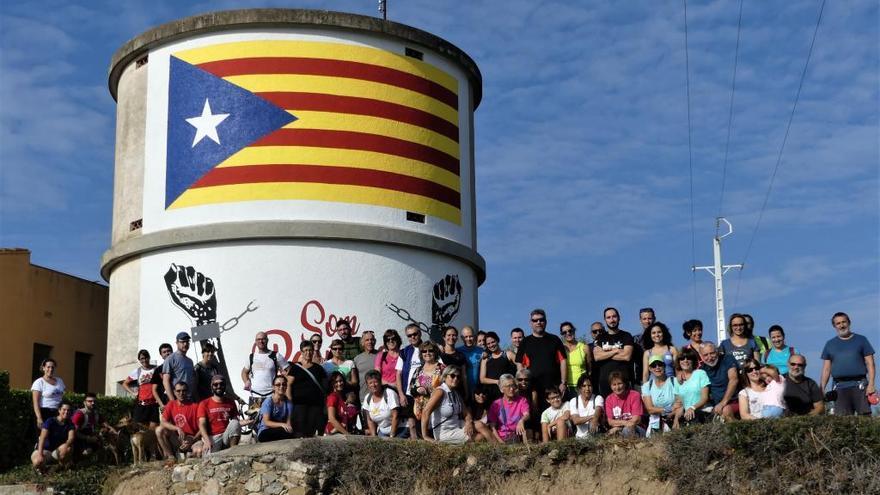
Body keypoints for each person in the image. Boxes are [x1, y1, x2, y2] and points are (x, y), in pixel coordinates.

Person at [820, 312, 876, 416]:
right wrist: (822, 387)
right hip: (839, 388)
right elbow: (826, 369)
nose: (841, 325)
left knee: (865, 419)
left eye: (844, 322)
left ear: (849, 323)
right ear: (834, 326)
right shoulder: (830, 344)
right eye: (838, 323)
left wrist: (871, 384)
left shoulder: (861, 340)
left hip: (860, 386)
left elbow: (870, 363)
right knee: (843, 423)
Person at [515, 309, 567, 405]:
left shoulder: (555, 339)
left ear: (545, 322)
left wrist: (563, 382)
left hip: (553, 387)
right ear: (531, 323)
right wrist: (522, 382)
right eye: (535, 320)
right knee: (534, 417)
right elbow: (519, 363)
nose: (538, 322)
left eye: (541, 320)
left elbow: (563, 361)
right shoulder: (525, 342)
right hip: (532, 388)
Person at [422, 366, 473, 444]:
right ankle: (496, 449)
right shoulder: (440, 392)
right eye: (452, 375)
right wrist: (425, 436)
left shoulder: (456, 393)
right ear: (445, 377)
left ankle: (497, 448)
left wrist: (468, 421)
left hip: (456, 426)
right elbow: (425, 412)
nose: (455, 379)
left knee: (480, 425)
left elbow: (466, 413)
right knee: (479, 436)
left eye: (458, 377)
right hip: (444, 432)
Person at [289, 340, 328, 437]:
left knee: (311, 431)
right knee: (299, 431)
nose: (308, 353)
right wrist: (289, 400)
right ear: (301, 352)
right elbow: (288, 385)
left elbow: (325, 387)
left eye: (310, 350)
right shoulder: (295, 368)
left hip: (315, 405)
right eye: (305, 350)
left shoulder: (319, 368)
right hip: (299, 404)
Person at [593, 307, 635, 397]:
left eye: (614, 316)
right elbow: (597, 357)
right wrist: (616, 350)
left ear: (619, 318)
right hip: (605, 383)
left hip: (623, 383)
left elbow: (626, 356)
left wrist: (605, 353)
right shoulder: (600, 338)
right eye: (608, 317)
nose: (612, 320)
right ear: (605, 320)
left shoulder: (626, 336)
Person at [195, 375, 240, 455]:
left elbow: (236, 422)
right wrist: (206, 440)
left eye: (221, 384)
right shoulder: (204, 403)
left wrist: (249, 421)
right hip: (212, 437)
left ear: (225, 386)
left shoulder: (230, 402)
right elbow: (202, 424)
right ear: (212, 387)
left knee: (235, 422)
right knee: (208, 459)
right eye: (215, 384)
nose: (219, 386)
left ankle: (234, 452)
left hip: (226, 435)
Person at [241, 331, 289, 407]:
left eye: (263, 339)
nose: (261, 341)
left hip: (271, 395)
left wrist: (282, 382)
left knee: (272, 418)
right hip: (255, 396)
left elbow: (288, 370)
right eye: (258, 339)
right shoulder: (252, 357)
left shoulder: (276, 355)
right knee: (254, 419)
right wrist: (246, 381)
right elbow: (244, 372)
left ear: (267, 340)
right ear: (255, 342)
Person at [156, 381, 200, 461]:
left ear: (188, 391)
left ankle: (187, 452)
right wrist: (177, 428)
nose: (181, 393)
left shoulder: (195, 406)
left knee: (191, 457)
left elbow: (202, 428)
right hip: (177, 437)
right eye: (178, 391)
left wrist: (193, 439)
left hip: (191, 438)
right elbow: (163, 422)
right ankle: (171, 457)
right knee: (159, 430)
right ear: (174, 392)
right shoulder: (171, 404)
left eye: (184, 390)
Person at [699, 342, 739, 421]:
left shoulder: (727, 358)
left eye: (712, 353)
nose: (709, 357)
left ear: (717, 351)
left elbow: (734, 380)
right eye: (705, 355)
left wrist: (723, 403)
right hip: (716, 406)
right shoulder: (702, 369)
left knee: (726, 411)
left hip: (735, 401)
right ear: (701, 356)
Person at [31, 401, 75, 472]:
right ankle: (47, 468)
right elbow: (42, 438)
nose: (66, 412)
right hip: (44, 450)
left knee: (68, 448)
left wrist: (66, 445)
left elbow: (71, 438)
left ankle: (60, 466)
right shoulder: (50, 421)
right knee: (37, 462)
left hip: (57, 451)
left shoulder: (70, 423)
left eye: (69, 410)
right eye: (64, 409)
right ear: (59, 410)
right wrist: (40, 454)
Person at [641, 356, 680, 434]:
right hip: (655, 426)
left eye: (660, 365)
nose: (657, 367)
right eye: (653, 366)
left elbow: (679, 404)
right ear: (650, 369)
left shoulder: (675, 381)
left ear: (664, 366)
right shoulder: (646, 386)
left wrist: (668, 412)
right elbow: (650, 409)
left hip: (674, 422)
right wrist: (669, 409)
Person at [487, 374, 530, 444]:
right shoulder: (496, 404)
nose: (511, 388)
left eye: (513, 385)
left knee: (529, 430)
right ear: (501, 389)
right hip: (501, 438)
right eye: (508, 386)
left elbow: (527, 414)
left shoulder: (522, 400)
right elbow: (492, 427)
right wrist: (501, 442)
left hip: (517, 436)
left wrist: (521, 420)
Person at [362, 370, 406, 438]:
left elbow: (396, 416)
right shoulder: (367, 398)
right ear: (367, 385)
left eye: (375, 382)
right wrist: (374, 437)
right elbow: (369, 419)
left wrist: (392, 436)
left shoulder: (389, 393)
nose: (373, 385)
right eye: (370, 383)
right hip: (382, 431)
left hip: (399, 429)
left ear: (380, 382)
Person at [410, 342, 445, 426]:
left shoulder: (442, 368)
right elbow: (411, 389)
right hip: (420, 409)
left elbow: (447, 387)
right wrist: (417, 389)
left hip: (437, 408)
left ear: (435, 352)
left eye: (430, 350)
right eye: (424, 351)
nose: (427, 353)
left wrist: (427, 391)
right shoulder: (418, 370)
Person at [123, 349, 161, 427]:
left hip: (154, 404)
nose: (144, 360)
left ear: (149, 357)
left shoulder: (156, 369)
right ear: (139, 360)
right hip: (141, 405)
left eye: (146, 357)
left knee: (152, 431)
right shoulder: (137, 371)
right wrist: (133, 393)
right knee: (140, 430)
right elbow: (125, 384)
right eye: (142, 359)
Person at [71, 392, 114, 457]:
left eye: (94, 401)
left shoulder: (96, 413)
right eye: (90, 401)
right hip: (78, 439)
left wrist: (112, 429)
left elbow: (104, 423)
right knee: (87, 452)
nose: (93, 403)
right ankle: (77, 460)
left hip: (91, 437)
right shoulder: (79, 414)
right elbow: (74, 433)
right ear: (84, 402)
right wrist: (87, 438)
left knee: (104, 443)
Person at [674, 349, 710, 425]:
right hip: (687, 415)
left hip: (702, 412)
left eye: (688, 358)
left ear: (693, 361)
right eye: (682, 359)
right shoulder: (676, 380)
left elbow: (705, 398)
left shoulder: (700, 373)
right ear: (679, 362)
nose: (685, 360)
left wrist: (692, 408)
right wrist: (676, 419)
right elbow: (679, 404)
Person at [480, 331, 517, 404]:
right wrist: (497, 382)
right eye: (488, 344)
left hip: (508, 393)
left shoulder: (508, 354)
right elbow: (482, 379)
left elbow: (521, 368)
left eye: (493, 342)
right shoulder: (486, 359)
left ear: (498, 340)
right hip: (491, 394)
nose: (491, 345)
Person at [604, 372, 644, 438]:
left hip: (637, 429)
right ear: (611, 386)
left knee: (627, 430)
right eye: (614, 385)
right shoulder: (609, 399)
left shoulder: (635, 395)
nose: (617, 387)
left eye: (619, 383)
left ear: (625, 384)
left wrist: (618, 428)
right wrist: (625, 423)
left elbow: (636, 420)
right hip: (620, 429)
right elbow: (610, 422)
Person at [256, 375, 294, 442]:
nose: (281, 386)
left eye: (284, 384)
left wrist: (288, 428)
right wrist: (282, 424)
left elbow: (288, 423)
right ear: (273, 387)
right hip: (265, 430)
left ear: (286, 387)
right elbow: (266, 422)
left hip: (280, 430)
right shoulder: (268, 401)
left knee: (290, 432)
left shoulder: (288, 403)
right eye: (278, 385)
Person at [31, 358, 66, 431]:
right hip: (45, 413)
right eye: (48, 367)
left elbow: (62, 398)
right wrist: (39, 418)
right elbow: (36, 402)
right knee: (44, 438)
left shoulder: (60, 381)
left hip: (58, 413)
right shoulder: (39, 382)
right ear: (43, 368)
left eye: (52, 367)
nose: (50, 369)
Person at [162, 331, 197, 402]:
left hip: (189, 399)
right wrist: (172, 401)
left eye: (187, 342)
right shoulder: (170, 359)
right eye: (183, 342)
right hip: (177, 399)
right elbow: (165, 381)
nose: (185, 344)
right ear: (177, 343)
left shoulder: (190, 361)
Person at [560, 321, 591, 399]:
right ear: (562, 335)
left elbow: (589, 368)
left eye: (570, 331)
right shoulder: (561, 349)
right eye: (564, 332)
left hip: (581, 386)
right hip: (566, 388)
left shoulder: (584, 347)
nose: (568, 333)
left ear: (574, 330)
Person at [568, 374, 603, 439]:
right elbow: (576, 421)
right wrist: (592, 416)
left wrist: (594, 418)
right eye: (584, 386)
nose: (587, 389)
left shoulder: (598, 398)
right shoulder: (574, 401)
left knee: (593, 422)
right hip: (579, 438)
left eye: (589, 386)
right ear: (579, 388)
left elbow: (598, 410)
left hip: (595, 436)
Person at [353, 330, 378, 404]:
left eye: (372, 340)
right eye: (367, 340)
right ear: (362, 343)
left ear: (375, 341)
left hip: (381, 397)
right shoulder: (357, 359)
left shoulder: (381, 356)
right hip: (364, 398)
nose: (370, 342)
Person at [439, 326, 468, 391]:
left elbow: (464, 375)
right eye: (449, 335)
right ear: (444, 337)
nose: (451, 337)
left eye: (454, 335)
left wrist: (466, 391)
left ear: (457, 338)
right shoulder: (439, 354)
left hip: (458, 390)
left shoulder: (461, 355)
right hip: (442, 390)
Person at [634, 307, 657, 385]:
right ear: (640, 320)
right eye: (644, 319)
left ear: (654, 319)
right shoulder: (635, 340)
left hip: (659, 378)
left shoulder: (662, 338)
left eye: (649, 318)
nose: (647, 321)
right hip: (639, 380)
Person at [458, 325, 483, 395]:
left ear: (475, 337)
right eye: (466, 337)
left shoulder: (481, 351)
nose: (468, 339)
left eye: (471, 336)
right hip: (462, 390)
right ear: (462, 338)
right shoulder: (458, 351)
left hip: (479, 391)